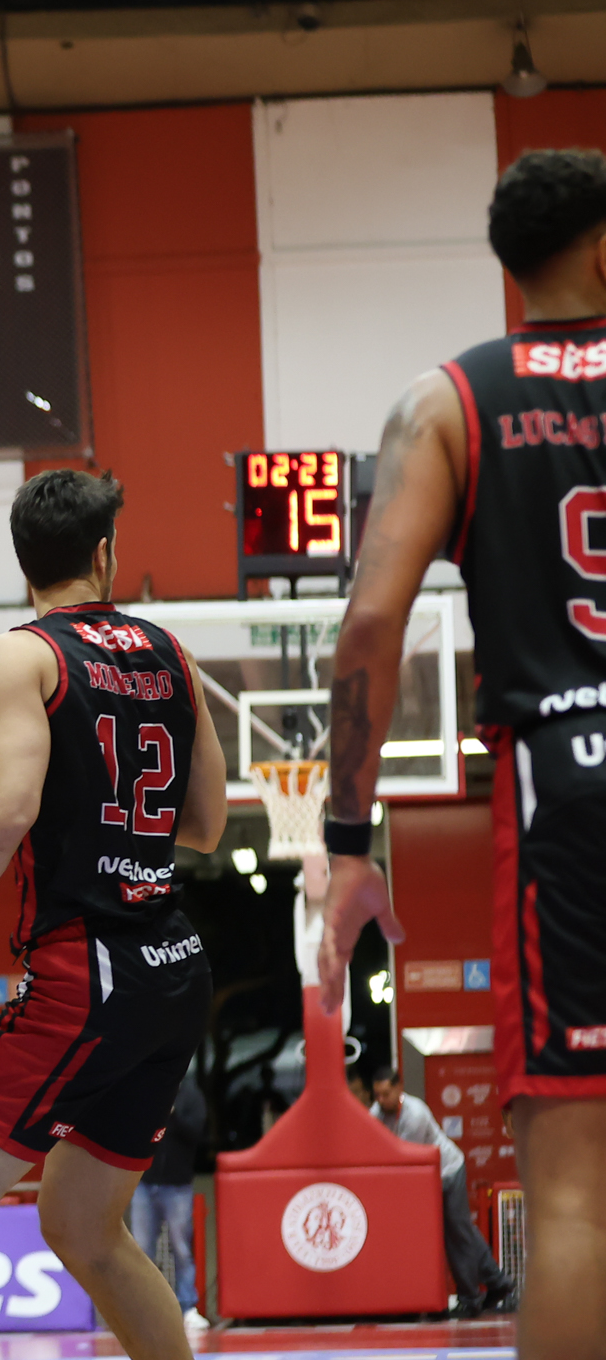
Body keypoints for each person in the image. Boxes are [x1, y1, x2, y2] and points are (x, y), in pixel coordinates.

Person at [319, 149, 606, 1360]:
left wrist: (346, 839)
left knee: (574, 1196)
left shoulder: (448, 403)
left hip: (567, 778)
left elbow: (369, 625)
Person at [0, 470, 229, 1360]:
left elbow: (3, 812)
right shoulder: (172, 654)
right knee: (82, 1224)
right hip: (173, 969)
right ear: (104, 553)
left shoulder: (18, 654)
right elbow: (203, 824)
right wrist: (64, 760)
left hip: (88, 969)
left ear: (22, 561)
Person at [368, 1065, 513, 1314]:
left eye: (386, 1094)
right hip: (427, 1174)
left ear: (399, 1088)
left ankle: (470, 1298)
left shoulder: (415, 1115)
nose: (381, 1100)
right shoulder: (376, 1112)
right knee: (461, 1229)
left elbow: (402, 1159)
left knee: (456, 1234)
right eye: (377, 1095)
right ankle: (498, 1281)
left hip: (447, 1171)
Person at [128, 1071, 207, 1332]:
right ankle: (144, 1309)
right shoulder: (145, 1094)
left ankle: (187, 1306)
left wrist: (172, 1114)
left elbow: (197, 1134)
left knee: (181, 1247)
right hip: (143, 1181)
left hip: (177, 1184)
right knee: (141, 1249)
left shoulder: (191, 1096)